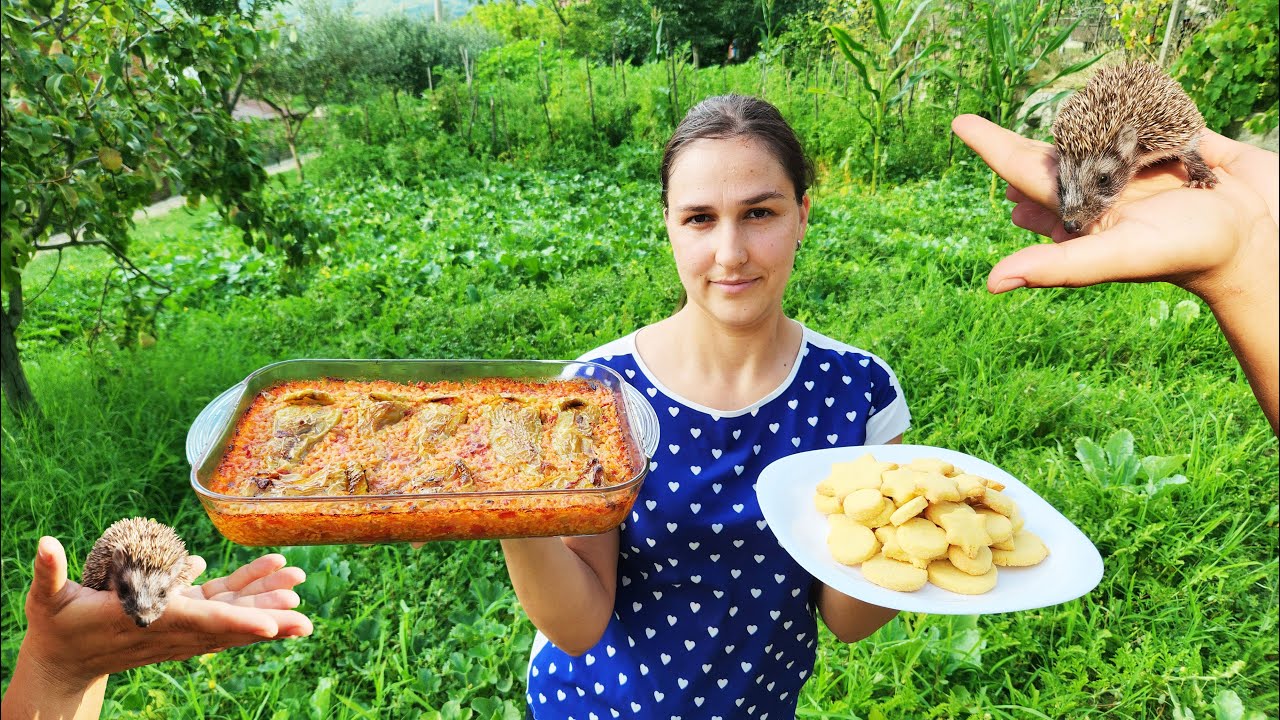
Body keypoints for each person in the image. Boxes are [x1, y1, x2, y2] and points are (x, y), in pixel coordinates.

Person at [502, 94, 909, 719]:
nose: (730, 252)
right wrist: (508, 513)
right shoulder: (597, 394)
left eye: (759, 213)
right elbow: (580, 624)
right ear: (667, 223)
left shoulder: (856, 392)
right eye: (699, 218)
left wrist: (915, 541)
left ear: (801, 216)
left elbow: (848, 618)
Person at [950, 114, 1279, 435]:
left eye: (1103, 181)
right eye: (1066, 187)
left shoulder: (1158, 143)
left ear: (1129, 149)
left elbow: (1186, 142)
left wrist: (1200, 173)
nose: (1073, 216)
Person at [1, 535, 312, 720]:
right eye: (127, 592)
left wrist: (74, 666)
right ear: (115, 572)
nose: (144, 618)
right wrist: (59, 663)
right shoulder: (109, 572)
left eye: (161, 595)